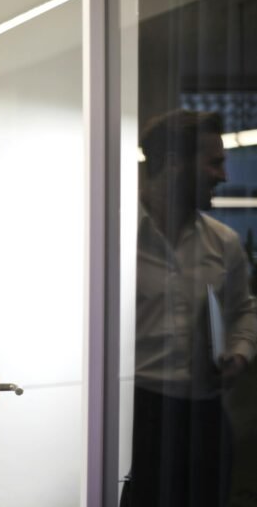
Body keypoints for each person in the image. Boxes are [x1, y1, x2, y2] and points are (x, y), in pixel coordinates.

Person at [124, 110, 257, 507]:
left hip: (205, 415)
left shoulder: (224, 242)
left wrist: (239, 354)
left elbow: (244, 311)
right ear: (172, 163)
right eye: (213, 162)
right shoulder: (114, 236)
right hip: (138, 412)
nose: (223, 175)